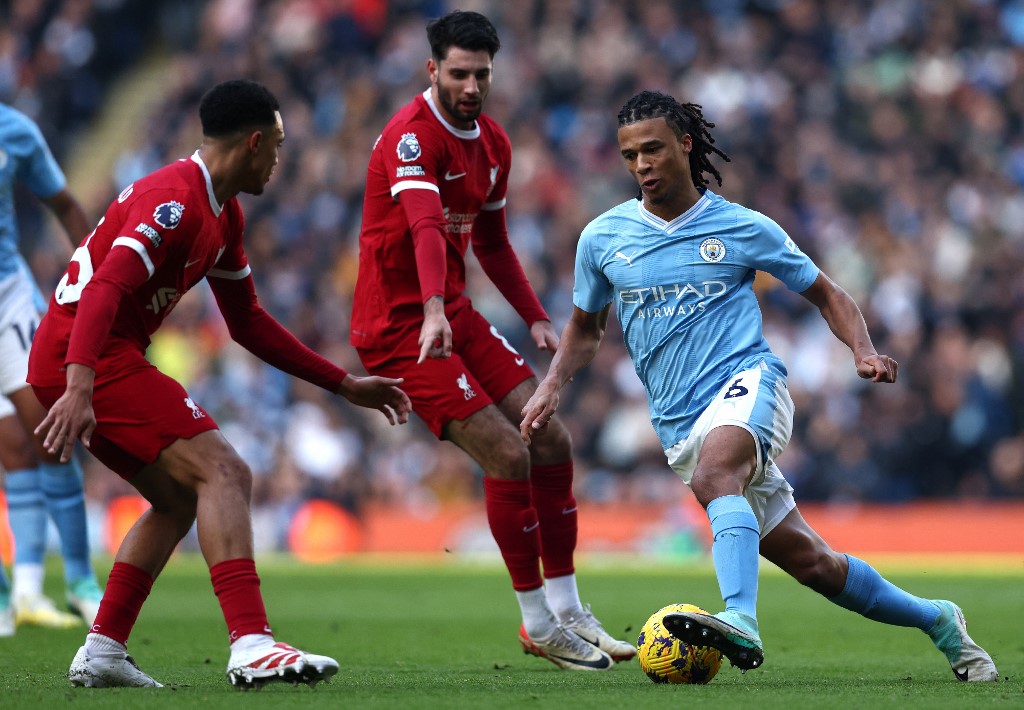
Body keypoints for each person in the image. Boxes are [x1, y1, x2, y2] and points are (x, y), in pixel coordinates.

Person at [521, 89, 999, 682]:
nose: (641, 165)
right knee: (818, 567)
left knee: (716, 473)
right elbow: (584, 330)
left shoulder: (741, 227)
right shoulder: (602, 238)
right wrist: (552, 385)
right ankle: (940, 620)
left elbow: (828, 293)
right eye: (629, 155)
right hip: (678, 425)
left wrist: (864, 350)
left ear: (685, 146)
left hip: (750, 384)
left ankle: (740, 620)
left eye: (653, 150)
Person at [28, 79, 412, 689]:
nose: (280, 161)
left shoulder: (223, 214)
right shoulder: (174, 200)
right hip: (87, 355)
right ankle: (252, 642)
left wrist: (343, 385)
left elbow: (249, 323)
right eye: (278, 147)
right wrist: (80, 385)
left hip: (87, 358)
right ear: (254, 143)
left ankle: (103, 649)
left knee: (180, 498)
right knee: (226, 471)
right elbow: (104, 288)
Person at [350, 10, 634, 671]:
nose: (472, 86)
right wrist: (429, 310)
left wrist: (535, 314)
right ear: (432, 70)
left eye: (482, 74)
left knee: (551, 437)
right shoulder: (411, 139)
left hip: (451, 310)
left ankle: (569, 611)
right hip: (399, 329)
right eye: (459, 74)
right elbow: (424, 225)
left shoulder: (496, 145)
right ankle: (537, 624)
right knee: (508, 455)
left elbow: (492, 241)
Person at [0, 102, 105, 636]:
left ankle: (79, 582)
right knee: (11, 449)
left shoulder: (14, 130)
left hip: (7, 299)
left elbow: (64, 204)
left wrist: (93, 275)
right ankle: (12, 594)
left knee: (47, 433)